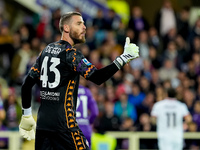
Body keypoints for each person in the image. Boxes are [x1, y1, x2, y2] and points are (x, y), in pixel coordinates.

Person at [18, 11, 139, 150]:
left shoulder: (46, 50)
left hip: (43, 127)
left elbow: (26, 84)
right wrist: (122, 59)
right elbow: (98, 78)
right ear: (66, 28)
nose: (84, 27)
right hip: (65, 126)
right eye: (79, 23)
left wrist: (26, 115)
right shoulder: (71, 54)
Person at [76, 76, 99, 147]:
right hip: (85, 128)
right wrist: (89, 121)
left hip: (72, 128)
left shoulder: (69, 91)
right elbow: (95, 112)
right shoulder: (87, 92)